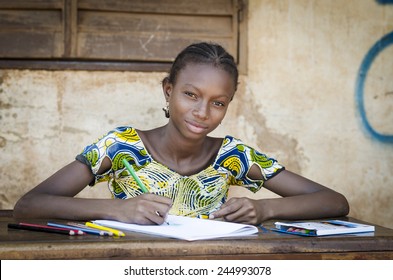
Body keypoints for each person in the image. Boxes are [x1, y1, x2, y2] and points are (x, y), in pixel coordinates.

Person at [13, 42, 349, 225]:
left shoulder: (235, 156)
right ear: (168, 91)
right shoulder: (121, 147)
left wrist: (264, 210)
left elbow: (335, 202)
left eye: (218, 102)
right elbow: (29, 205)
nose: (203, 112)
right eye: (191, 95)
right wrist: (117, 209)